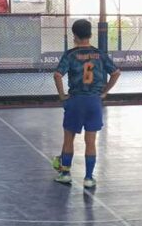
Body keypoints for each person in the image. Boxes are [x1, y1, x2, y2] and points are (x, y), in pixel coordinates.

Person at [51, 19, 121, 188]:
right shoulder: (100, 54)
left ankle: (65, 174)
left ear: (74, 35)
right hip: (94, 101)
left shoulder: (70, 55)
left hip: (75, 101)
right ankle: (89, 178)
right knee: (91, 141)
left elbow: (57, 75)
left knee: (69, 139)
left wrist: (62, 96)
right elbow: (116, 72)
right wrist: (104, 91)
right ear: (90, 34)